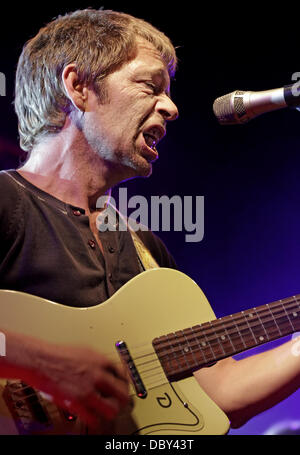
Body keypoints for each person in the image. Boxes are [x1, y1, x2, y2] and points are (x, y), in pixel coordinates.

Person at [0, 8, 299, 434]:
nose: (172, 108)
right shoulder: (7, 201)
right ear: (78, 86)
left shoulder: (145, 249)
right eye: (148, 85)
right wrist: (42, 362)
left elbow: (221, 391)